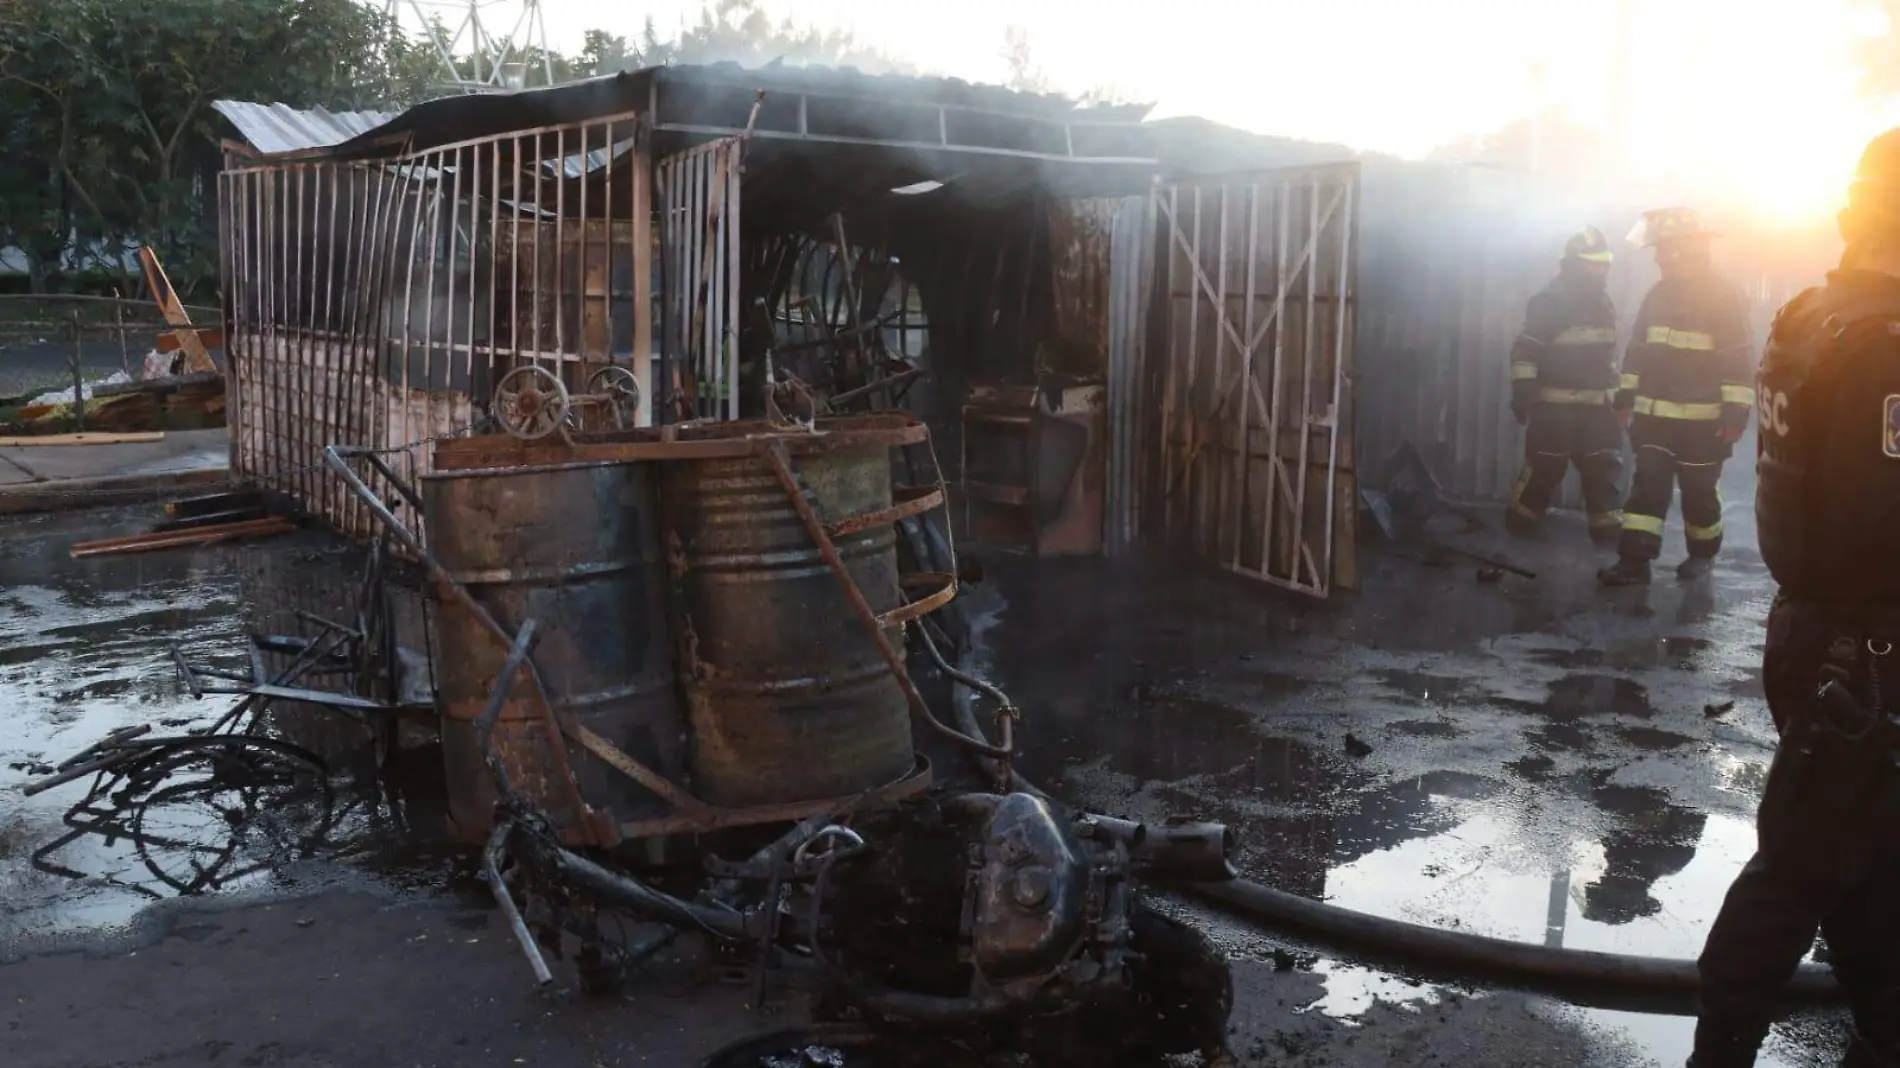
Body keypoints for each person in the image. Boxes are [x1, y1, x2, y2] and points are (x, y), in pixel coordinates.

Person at [1687, 129, 1900, 1067]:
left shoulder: (1812, 316)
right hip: (1866, 647)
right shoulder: (1888, 346)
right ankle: (1718, 1051)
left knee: (1868, 856)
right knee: (1805, 861)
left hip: (1812, 628)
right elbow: (1875, 520)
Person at [1598, 208, 1755, 586]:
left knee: (1699, 495)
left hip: (1704, 425)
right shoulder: (1658, 295)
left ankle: (1702, 556)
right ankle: (1634, 561)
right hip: (1654, 421)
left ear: (1687, 251)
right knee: (1647, 490)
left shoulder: (1723, 296)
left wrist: (1735, 415)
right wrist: (1625, 397)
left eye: (1665, 250)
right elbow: (1637, 351)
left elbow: (1738, 358)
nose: (1658, 258)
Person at [1506, 226, 1626, 544]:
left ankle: (1607, 543)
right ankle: (1519, 532)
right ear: (1574, 263)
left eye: (1603, 263)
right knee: (1543, 473)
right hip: (1555, 410)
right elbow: (1526, 350)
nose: (1600, 270)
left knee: (1603, 474)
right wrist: (1523, 392)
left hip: (1599, 413)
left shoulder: (1603, 302)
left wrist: (1619, 396)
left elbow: (1606, 358)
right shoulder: (1551, 301)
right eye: (1592, 263)